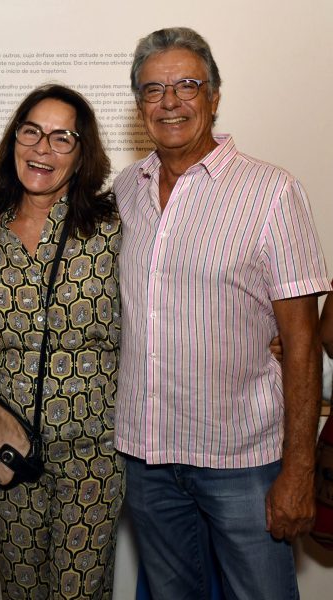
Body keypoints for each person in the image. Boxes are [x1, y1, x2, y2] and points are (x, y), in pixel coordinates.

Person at [114, 27, 331, 599]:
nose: (171, 101)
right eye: (154, 89)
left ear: (214, 96)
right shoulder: (125, 191)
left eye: (188, 84)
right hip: (149, 460)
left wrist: (299, 470)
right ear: (139, 105)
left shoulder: (272, 192)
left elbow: (302, 344)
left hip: (244, 463)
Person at [0, 84, 124, 599]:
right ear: (13, 138)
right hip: (6, 450)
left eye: (63, 138)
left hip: (93, 456)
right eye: (32, 131)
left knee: (77, 594)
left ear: (82, 154)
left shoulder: (111, 226)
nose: (43, 149)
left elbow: (168, 295)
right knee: (20, 591)